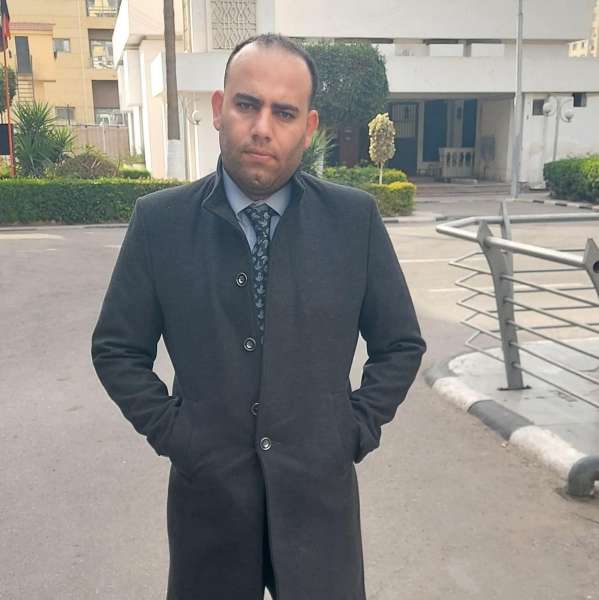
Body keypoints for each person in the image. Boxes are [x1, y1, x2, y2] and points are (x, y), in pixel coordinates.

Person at [91, 33, 426, 600]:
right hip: (210, 508)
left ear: (308, 127)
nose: (262, 127)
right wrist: (178, 435)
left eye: (284, 112)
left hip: (319, 507)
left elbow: (400, 344)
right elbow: (117, 348)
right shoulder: (160, 223)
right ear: (219, 109)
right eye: (247, 104)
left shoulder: (354, 222)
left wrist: (352, 429)